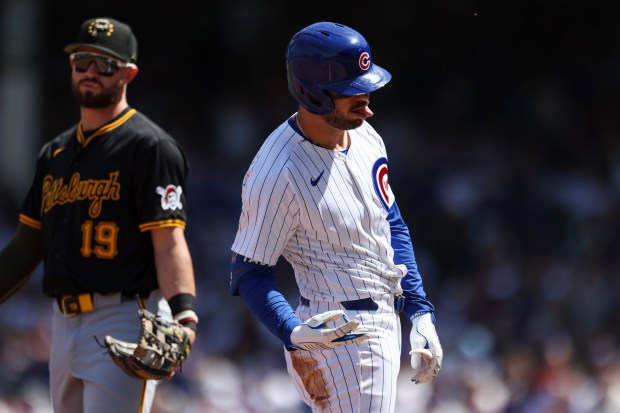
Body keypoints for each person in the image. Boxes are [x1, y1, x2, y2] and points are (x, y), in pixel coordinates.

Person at [229, 21, 442, 412]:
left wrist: (420, 311)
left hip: (377, 318)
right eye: (352, 90)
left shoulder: (366, 136)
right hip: (340, 336)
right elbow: (249, 272)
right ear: (313, 92)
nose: (367, 98)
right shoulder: (278, 173)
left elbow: (390, 223)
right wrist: (292, 331)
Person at [0, 17, 198, 413]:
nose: (90, 72)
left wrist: (185, 316)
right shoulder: (54, 154)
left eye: (104, 64)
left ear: (128, 73)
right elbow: (26, 246)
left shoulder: (150, 147)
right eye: (82, 61)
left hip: (125, 317)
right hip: (62, 322)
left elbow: (169, 241)